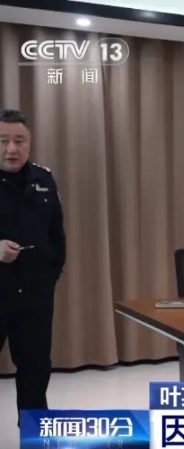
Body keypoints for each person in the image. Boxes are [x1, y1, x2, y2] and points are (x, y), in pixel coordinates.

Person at [0, 109, 66, 416]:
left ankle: (35, 433)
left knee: (35, 370)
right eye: (3, 141)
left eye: (19, 140)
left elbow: (56, 233)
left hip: (35, 294)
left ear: (29, 143)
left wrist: (50, 275)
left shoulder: (44, 179)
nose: (11, 149)